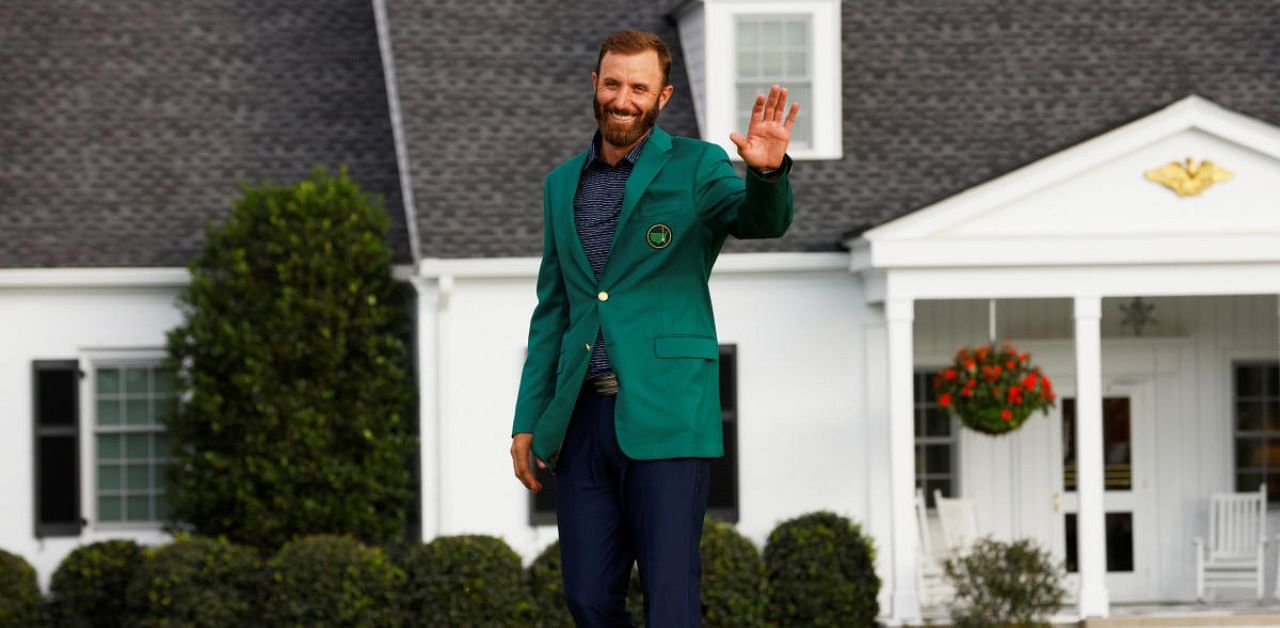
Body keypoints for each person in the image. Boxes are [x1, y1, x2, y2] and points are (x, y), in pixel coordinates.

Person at [509, 29, 798, 627]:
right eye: (613, 83)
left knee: (669, 602)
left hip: (667, 416)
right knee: (587, 597)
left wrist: (766, 176)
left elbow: (757, 222)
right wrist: (527, 420)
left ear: (662, 96)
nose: (623, 97)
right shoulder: (561, 184)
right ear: (595, 85)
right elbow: (554, 309)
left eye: (638, 87)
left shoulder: (697, 166)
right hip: (583, 420)